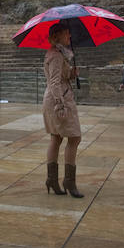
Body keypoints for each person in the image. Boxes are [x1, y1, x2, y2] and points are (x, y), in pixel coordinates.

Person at [42, 23, 83, 198]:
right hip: (59, 100)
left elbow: (60, 78)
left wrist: (71, 74)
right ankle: (69, 181)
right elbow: (54, 82)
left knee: (56, 137)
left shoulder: (57, 54)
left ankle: (52, 179)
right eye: (66, 34)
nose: (69, 37)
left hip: (54, 98)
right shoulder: (57, 56)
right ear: (57, 36)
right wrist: (60, 104)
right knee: (74, 137)